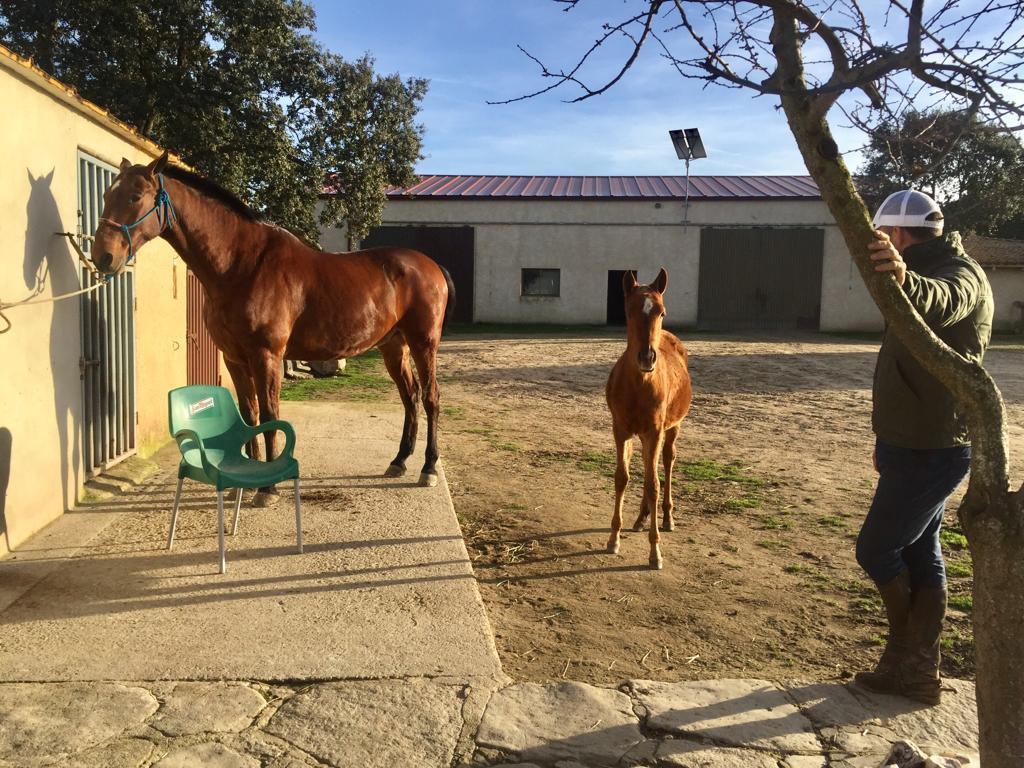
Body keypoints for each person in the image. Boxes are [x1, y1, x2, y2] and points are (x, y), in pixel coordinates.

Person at [854, 189, 993, 704]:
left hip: (934, 448)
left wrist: (904, 277)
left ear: (896, 234)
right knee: (919, 550)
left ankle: (908, 659)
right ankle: (914, 670)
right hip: (908, 441)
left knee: (876, 549)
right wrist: (885, 437)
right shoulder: (916, 273)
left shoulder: (960, 273)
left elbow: (944, 300)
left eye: (884, 236)